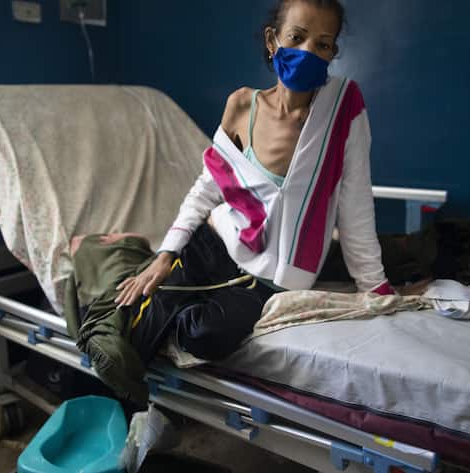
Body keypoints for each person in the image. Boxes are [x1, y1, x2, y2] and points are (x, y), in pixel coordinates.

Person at [116, 0, 395, 363]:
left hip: (271, 281)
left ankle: (178, 310)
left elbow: (355, 207)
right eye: (296, 37)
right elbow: (207, 187)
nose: (308, 51)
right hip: (213, 244)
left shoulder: (344, 109)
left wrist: (375, 288)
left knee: (205, 336)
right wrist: (165, 255)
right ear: (272, 40)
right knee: (132, 322)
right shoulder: (242, 105)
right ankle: (149, 410)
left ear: (332, 53)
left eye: (322, 44)